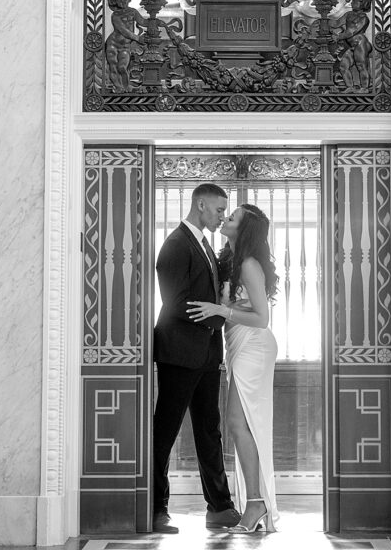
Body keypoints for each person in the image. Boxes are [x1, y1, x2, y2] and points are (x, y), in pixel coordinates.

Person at [153, 184, 240, 535]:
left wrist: (220, 315)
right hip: (178, 352)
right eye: (219, 210)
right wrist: (222, 316)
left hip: (206, 354)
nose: (222, 216)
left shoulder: (203, 243)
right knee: (166, 431)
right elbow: (176, 302)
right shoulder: (176, 244)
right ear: (200, 204)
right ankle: (155, 509)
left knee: (209, 429)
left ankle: (219, 507)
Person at [187, 203, 280, 533]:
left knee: (240, 425)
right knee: (240, 425)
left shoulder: (250, 265)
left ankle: (255, 502)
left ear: (244, 230)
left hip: (253, 345)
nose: (224, 219)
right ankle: (255, 501)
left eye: (232, 218)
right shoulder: (229, 260)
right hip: (238, 344)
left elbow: (261, 318)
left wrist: (219, 310)